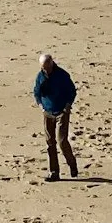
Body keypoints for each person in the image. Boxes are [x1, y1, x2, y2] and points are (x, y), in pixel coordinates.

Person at [33, 51, 79, 180]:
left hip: (61, 112)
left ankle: (72, 163)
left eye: (47, 67)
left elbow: (72, 92)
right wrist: (41, 106)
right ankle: (54, 172)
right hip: (47, 112)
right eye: (43, 67)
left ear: (52, 63)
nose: (45, 70)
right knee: (50, 143)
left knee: (62, 141)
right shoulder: (40, 76)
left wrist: (67, 106)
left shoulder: (62, 75)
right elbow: (36, 92)